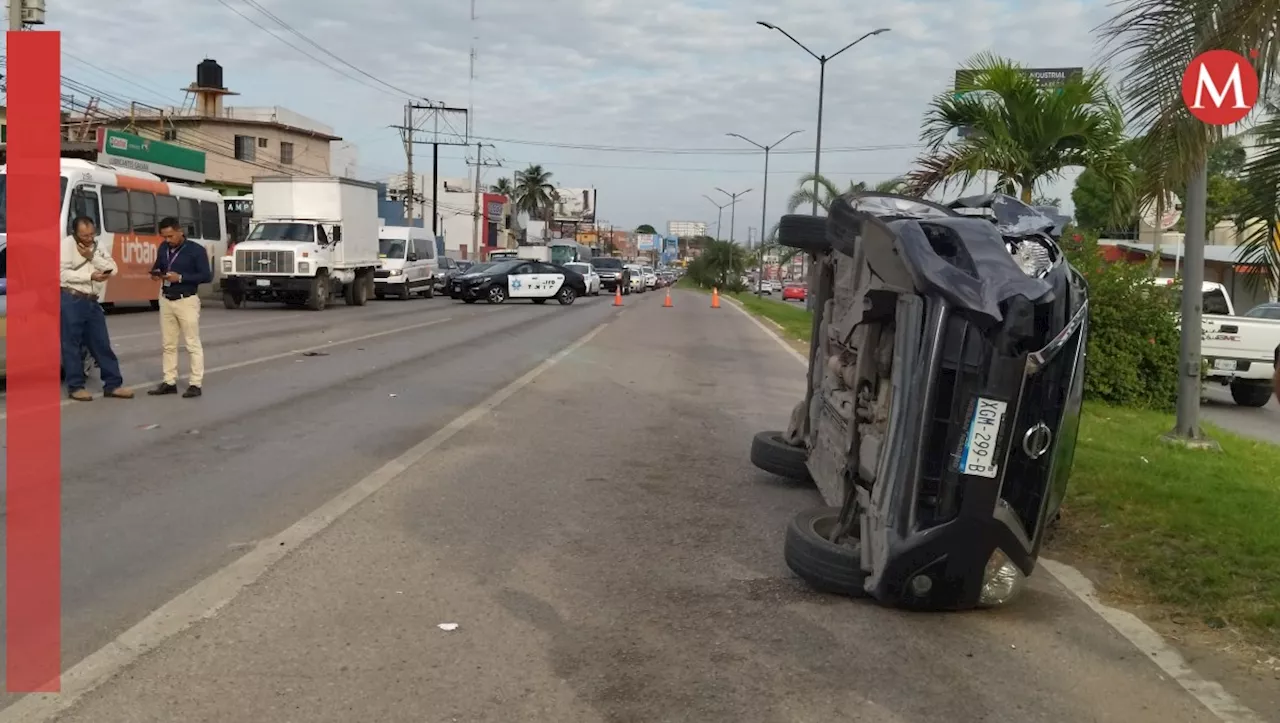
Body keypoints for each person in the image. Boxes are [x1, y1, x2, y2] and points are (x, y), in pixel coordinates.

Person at [61, 216, 134, 401]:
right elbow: (61, 274)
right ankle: (76, 386)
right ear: (75, 233)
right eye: (84, 235)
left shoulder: (98, 245)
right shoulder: (66, 245)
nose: (88, 238)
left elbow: (113, 269)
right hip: (72, 298)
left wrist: (92, 256)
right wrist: (90, 276)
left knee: (101, 343)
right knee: (72, 345)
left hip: (93, 301)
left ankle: (113, 384)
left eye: (91, 234)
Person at [146, 217, 211, 398]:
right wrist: (156, 274)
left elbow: (206, 275)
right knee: (168, 344)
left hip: (186, 300)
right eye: (164, 237)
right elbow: (158, 265)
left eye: (171, 236)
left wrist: (180, 278)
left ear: (180, 231)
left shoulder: (195, 250)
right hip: (166, 299)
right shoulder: (163, 248)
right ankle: (169, 381)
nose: (168, 240)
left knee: (192, 343)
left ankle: (195, 384)